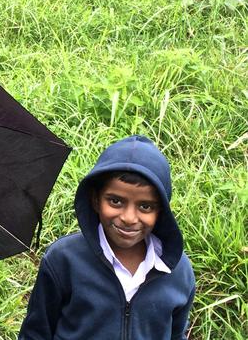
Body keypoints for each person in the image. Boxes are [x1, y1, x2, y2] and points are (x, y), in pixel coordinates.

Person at [18, 135, 195, 339]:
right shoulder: (63, 260)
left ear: (161, 211)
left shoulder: (178, 272)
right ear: (95, 200)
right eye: (115, 201)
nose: (129, 218)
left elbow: (176, 334)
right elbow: (35, 333)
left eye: (145, 206)